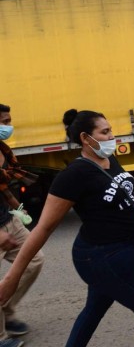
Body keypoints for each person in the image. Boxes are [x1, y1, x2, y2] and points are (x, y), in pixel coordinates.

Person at [0, 110, 134, 347]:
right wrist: (12, 277)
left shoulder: (108, 159)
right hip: (103, 255)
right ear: (86, 138)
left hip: (127, 246)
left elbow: (109, 192)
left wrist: (133, 195)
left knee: (94, 309)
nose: (112, 136)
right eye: (105, 132)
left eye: (110, 130)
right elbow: (43, 229)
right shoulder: (74, 175)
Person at [0, 104, 44, 347]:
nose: (8, 127)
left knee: (34, 259)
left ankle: (6, 309)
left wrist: (16, 208)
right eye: (4, 122)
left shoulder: (3, 150)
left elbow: (3, 186)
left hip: (8, 218)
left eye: (8, 121)